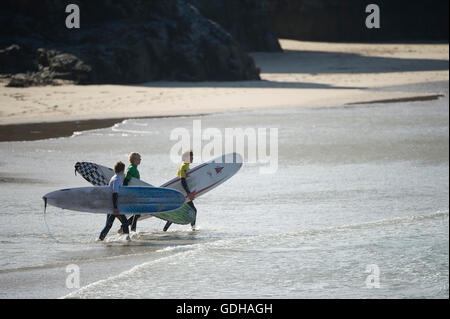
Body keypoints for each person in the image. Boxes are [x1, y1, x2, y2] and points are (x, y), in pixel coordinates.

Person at [163, 150, 197, 232]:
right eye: (191, 156)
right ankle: (193, 229)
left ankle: (164, 230)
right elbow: (183, 181)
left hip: (182, 192)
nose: (192, 158)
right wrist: (188, 193)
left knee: (176, 212)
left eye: (192, 156)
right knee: (193, 210)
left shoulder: (186, 166)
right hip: (182, 193)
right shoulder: (184, 166)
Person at [98, 161, 130, 241]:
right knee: (125, 223)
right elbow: (114, 194)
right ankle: (127, 240)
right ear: (122, 170)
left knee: (108, 225)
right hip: (115, 207)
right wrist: (115, 207)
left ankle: (100, 239)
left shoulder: (114, 178)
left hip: (112, 205)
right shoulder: (117, 180)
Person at [120, 152, 142, 233]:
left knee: (137, 214)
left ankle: (131, 230)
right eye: (139, 159)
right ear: (135, 160)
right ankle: (124, 227)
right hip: (132, 194)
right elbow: (126, 180)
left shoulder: (134, 168)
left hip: (135, 193)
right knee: (137, 214)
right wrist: (124, 192)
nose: (140, 160)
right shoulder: (131, 168)